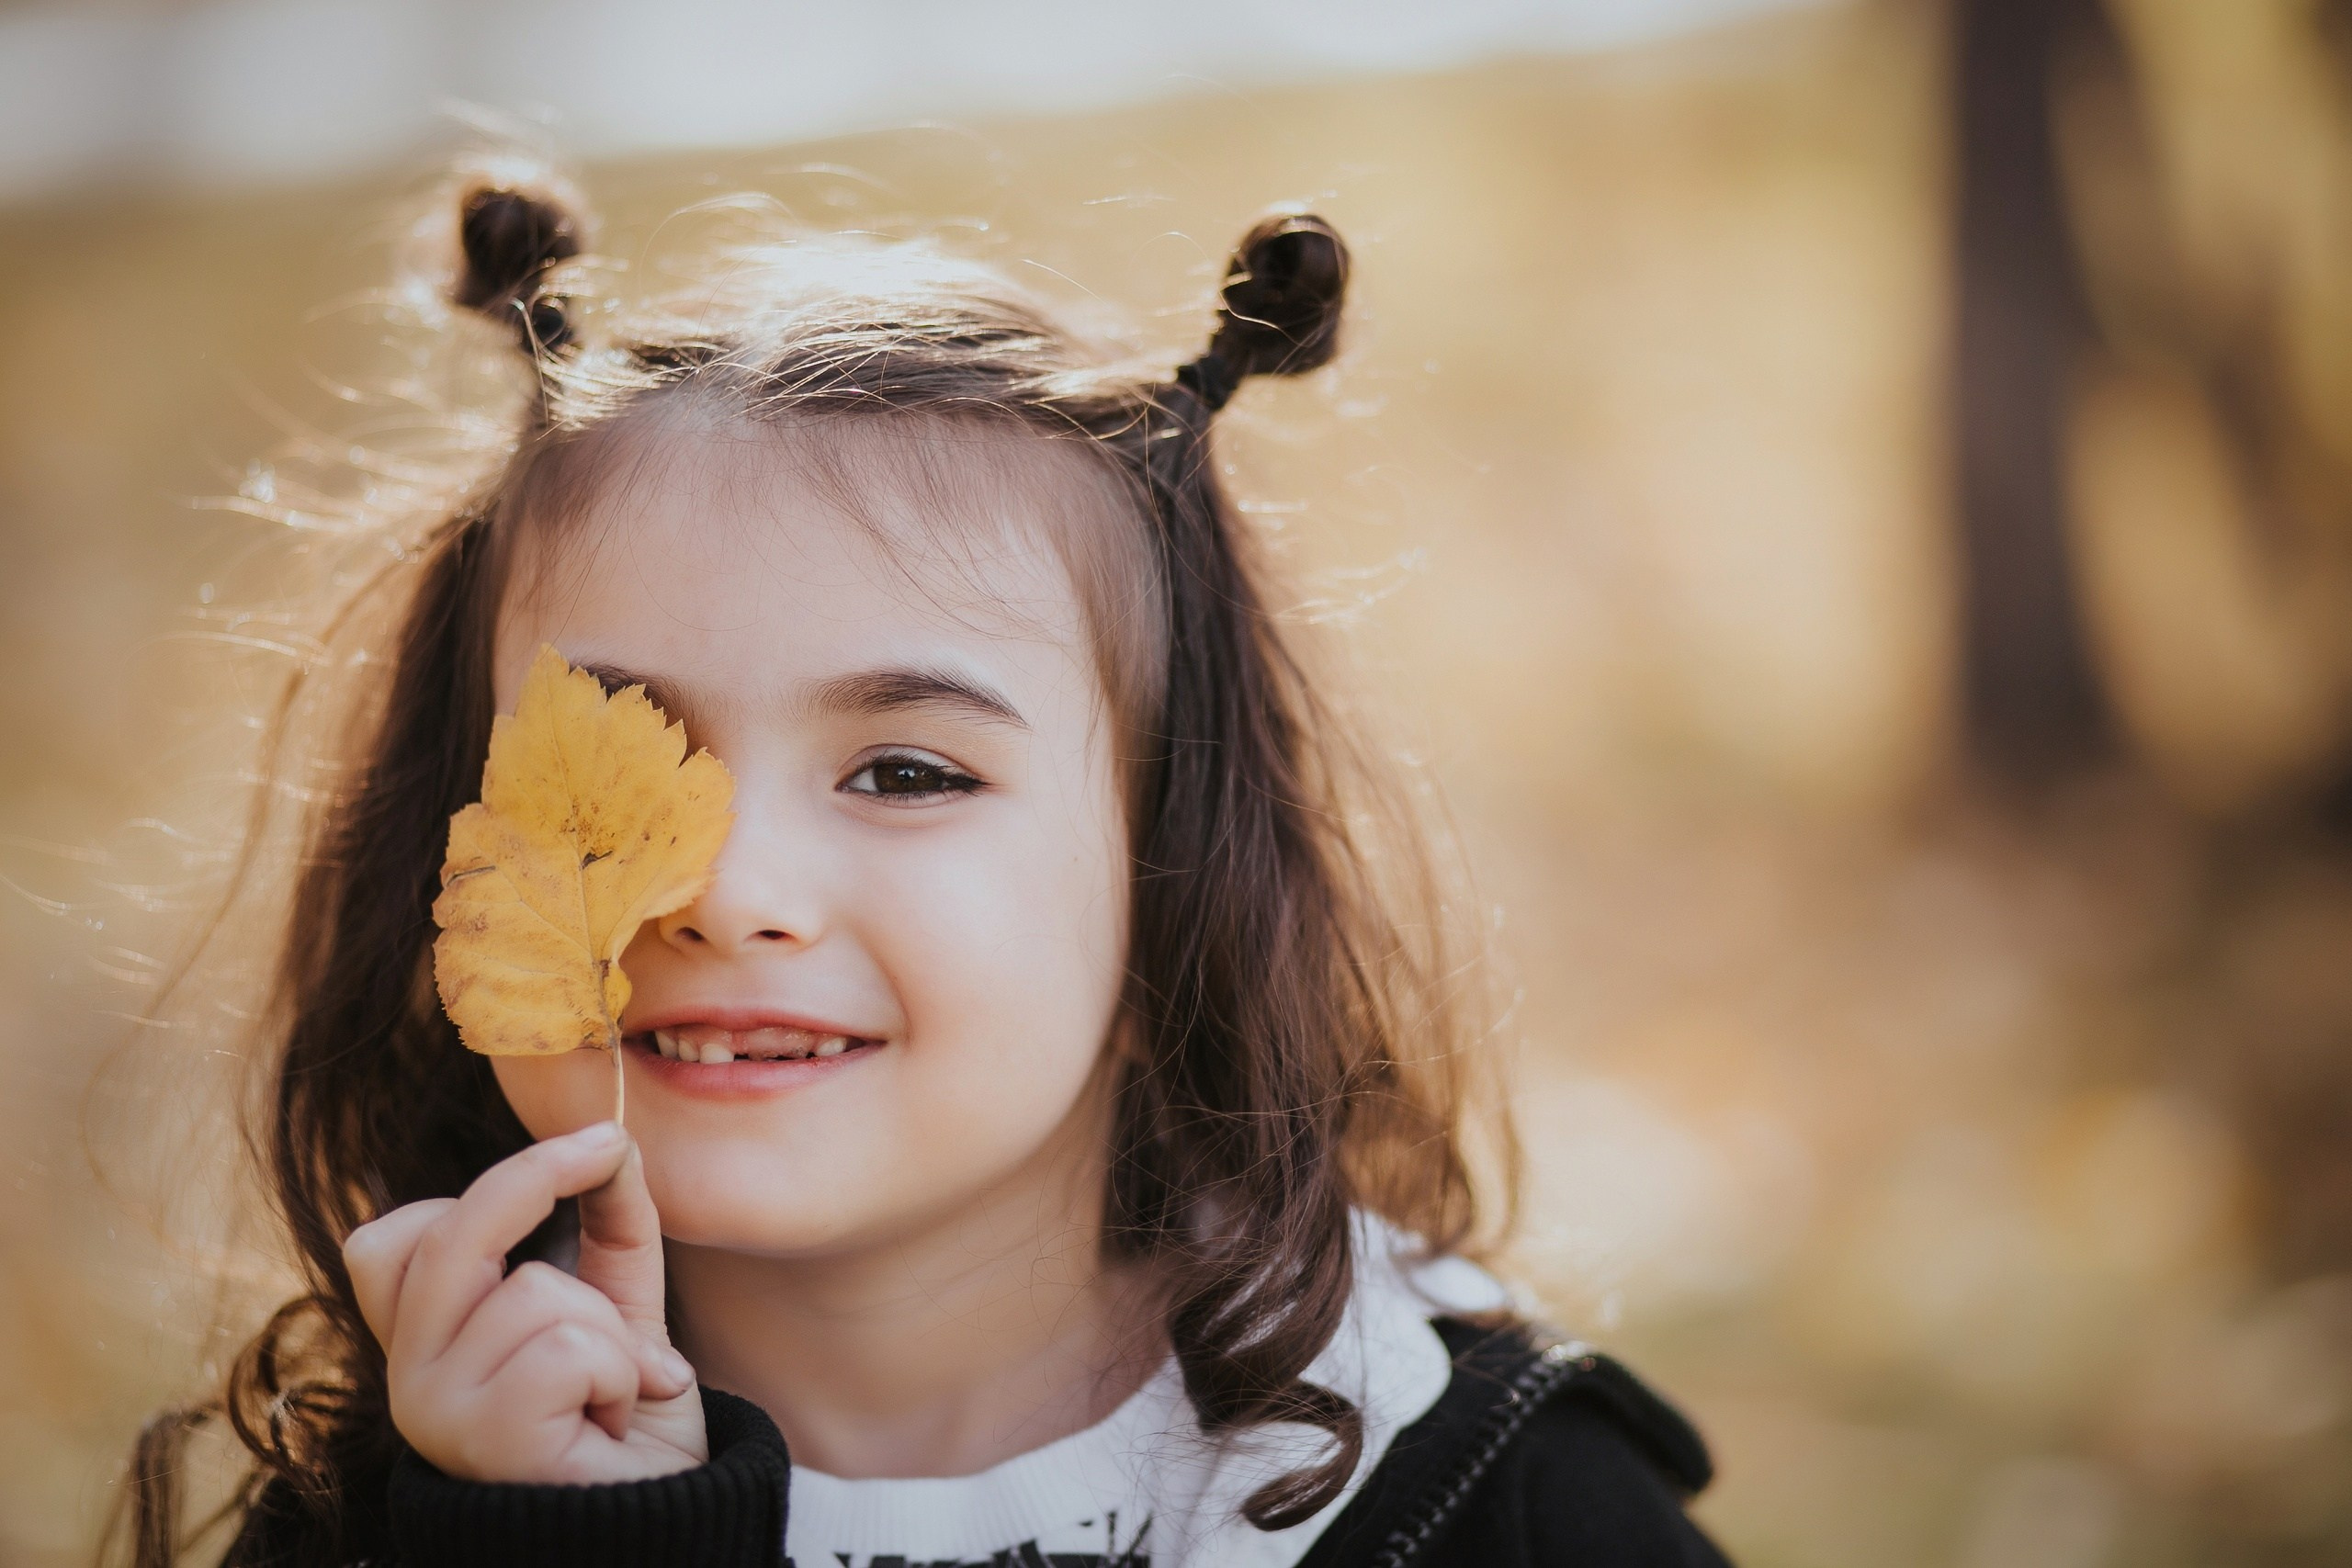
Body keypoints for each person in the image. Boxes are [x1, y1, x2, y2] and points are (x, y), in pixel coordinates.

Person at [125, 162, 1733, 1568]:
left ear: (1168, 866)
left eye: (905, 773)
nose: (725, 892)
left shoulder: (1485, 1497)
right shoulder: (387, 1508)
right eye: (607, 769)